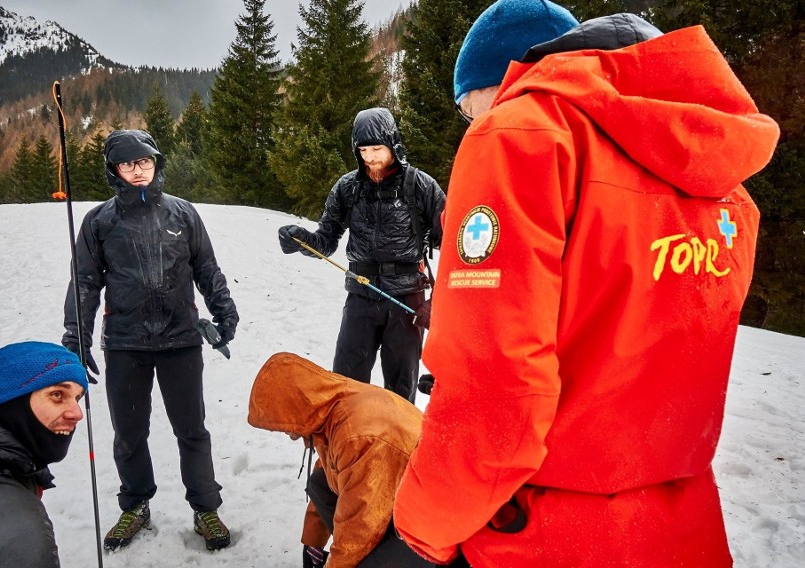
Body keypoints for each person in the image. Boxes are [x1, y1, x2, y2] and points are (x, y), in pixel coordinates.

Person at [393, 1, 780, 566]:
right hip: (682, 528)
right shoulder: (720, 180)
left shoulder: (520, 133)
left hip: (546, 534)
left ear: (505, 76)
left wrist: (422, 526)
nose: (469, 119)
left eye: (466, 104)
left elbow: (498, 393)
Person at [61, 129, 239, 551]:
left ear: (156, 164)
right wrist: (76, 339)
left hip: (181, 339)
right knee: (129, 433)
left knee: (191, 430)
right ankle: (136, 503)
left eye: (144, 162)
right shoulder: (100, 222)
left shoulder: (183, 214)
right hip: (125, 343)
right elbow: (84, 284)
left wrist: (225, 312)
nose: (138, 171)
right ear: (114, 171)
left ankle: (205, 508)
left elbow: (207, 269)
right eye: (128, 164)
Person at [278, 107, 445, 403]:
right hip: (361, 297)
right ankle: (344, 446)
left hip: (407, 301)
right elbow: (325, 240)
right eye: (363, 150)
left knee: (400, 392)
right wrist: (301, 240)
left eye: (377, 148)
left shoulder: (421, 186)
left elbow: (456, 245)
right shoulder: (348, 187)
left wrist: (440, 303)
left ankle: (398, 447)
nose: (370, 157)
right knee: (345, 386)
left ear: (393, 144)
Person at [247, 352, 435, 568]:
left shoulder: (358, 435)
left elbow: (362, 523)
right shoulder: (331, 408)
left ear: (295, 407)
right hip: (400, 497)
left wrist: (339, 563)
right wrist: (313, 543)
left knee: (363, 560)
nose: (288, 434)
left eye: (284, 425)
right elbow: (332, 472)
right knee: (319, 483)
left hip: (433, 520)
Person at [0, 341, 88, 568]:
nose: (77, 413)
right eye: (57, 394)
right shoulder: (13, 527)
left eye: (77, 397)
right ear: (11, 402)